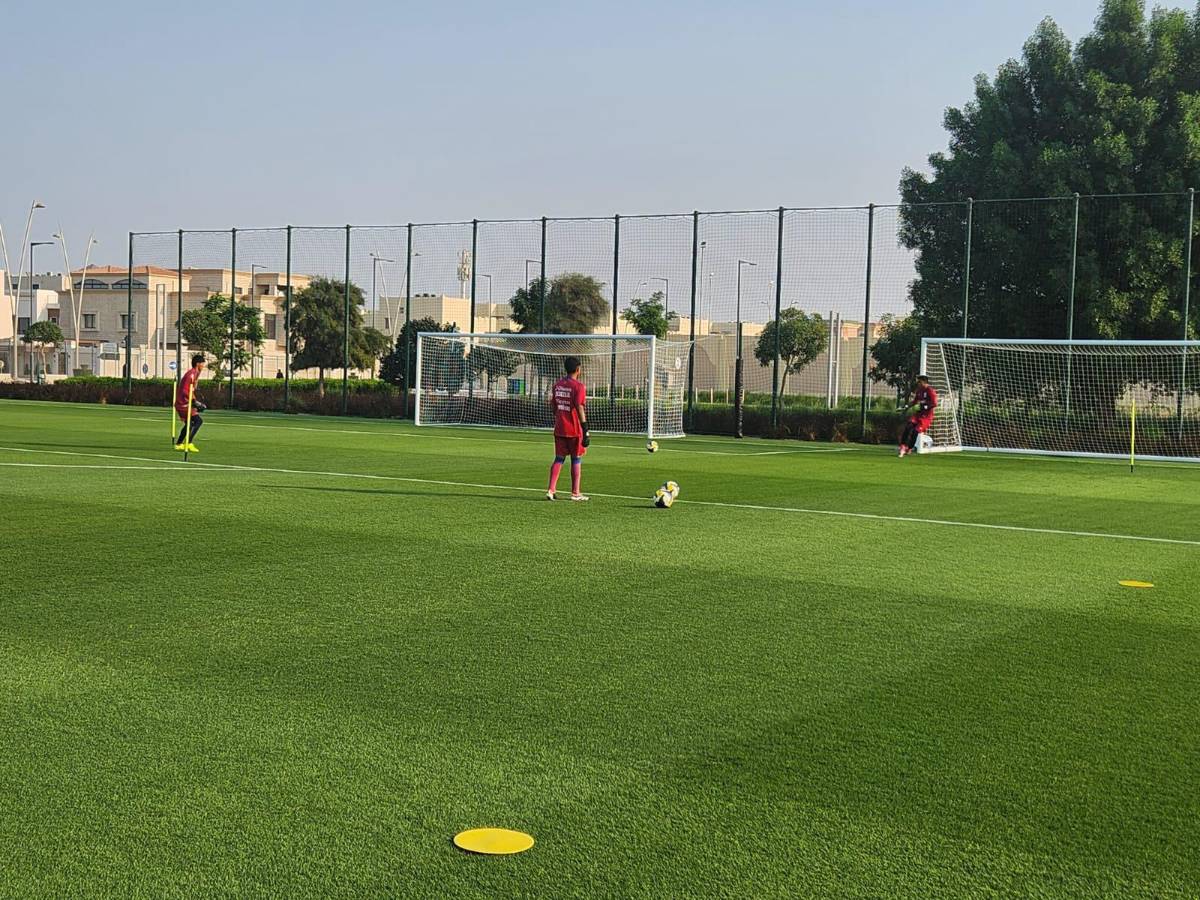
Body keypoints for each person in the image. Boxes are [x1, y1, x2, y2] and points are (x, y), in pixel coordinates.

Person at [547, 355, 589, 501]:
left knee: (559, 458)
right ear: (578, 369)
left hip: (559, 428)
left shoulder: (557, 385)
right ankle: (575, 493)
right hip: (574, 429)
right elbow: (579, 407)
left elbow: (553, 405)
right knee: (576, 459)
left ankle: (551, 490)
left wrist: (560, 417)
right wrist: (585, 429)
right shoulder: (579, 387)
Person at [174, 354, 208, 452]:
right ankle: (188, 443)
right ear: (198, 364)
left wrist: (195, 402)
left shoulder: (195, 374)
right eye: (202, 364)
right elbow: (185, 391)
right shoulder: (191, 374)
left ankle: (179, 444)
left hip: (185, 403)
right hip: (183, 404)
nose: (203, 366)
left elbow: (191, 390)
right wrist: (194, 402)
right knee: (198, 421)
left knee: (189, 424)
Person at [899, 373, 938, 457]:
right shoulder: (919, 391)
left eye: (919, 382)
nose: (918, 384)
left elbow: (934, 403)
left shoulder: (930, 391)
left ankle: (909, 448)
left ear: (924, 382)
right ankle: (902, 446)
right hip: (917, 415)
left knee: (915, 432)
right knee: (908, 427)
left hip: (926, 417)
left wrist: (923, 406)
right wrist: (906, 407)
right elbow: (914, 402)